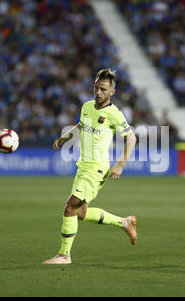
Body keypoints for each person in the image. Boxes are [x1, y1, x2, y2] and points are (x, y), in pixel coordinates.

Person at [43, 69, 138, 265]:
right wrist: (64, 137)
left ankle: (64, 255)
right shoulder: (87, 106)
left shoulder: (114, 114)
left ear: (112, 91)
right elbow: (80, 126)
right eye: (96, 88)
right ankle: (124, 222)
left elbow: (132, 138)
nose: (98, 92)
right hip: (83, 166)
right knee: (81, 212)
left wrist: (120, 165)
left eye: (103, 89)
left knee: (69, 208)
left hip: (96, 168)